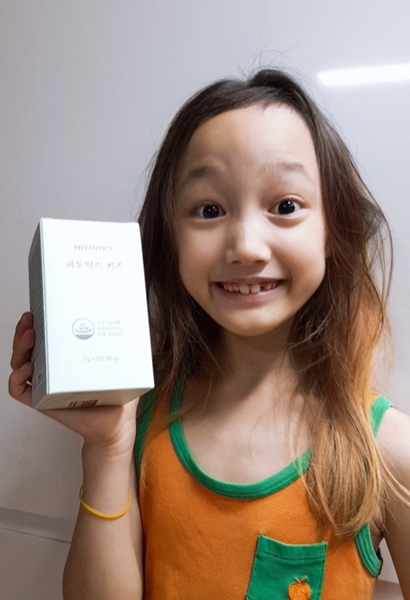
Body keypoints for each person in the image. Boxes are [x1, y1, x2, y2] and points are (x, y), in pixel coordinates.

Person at [9, 69, 410, 600]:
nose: (245, 246)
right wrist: (107, 446)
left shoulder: (387, 453)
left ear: (333, 230)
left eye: (285, 206)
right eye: (209, 210)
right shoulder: (140, 422)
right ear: (171, 238)